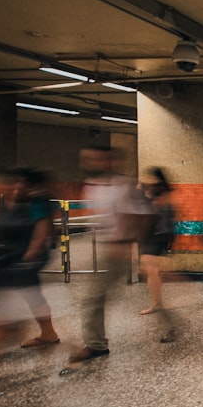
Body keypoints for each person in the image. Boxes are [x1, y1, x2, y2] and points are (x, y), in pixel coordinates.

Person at [64, 147, 155, 370]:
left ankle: (96, 344)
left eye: (98, 158)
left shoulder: (124, 186)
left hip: (117, 248)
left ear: (111, 160)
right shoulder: (92, 185)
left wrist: (131, 244)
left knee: (93, 297)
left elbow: (139, 216)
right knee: (96, 297)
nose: (92, 162)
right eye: (88, 158)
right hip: (102, 244)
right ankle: (171, 323)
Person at [0, 168, 60, 392]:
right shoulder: (10, 204)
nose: (16, 188)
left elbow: (41, 235)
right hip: (5, 260)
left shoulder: (38, 205)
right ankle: (49, 334)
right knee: (32, 296)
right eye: (15, 183)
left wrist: (27, 260)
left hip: (20, 261)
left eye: (21, 184)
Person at [138, 167, 180, 342]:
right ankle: (157, 303)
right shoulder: (155, 192)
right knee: (149, 270)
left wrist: (145, 192)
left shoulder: (164, 194)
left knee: (151, 269)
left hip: (159, 235)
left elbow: (159, 211)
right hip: (151, 235)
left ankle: (160, 303)